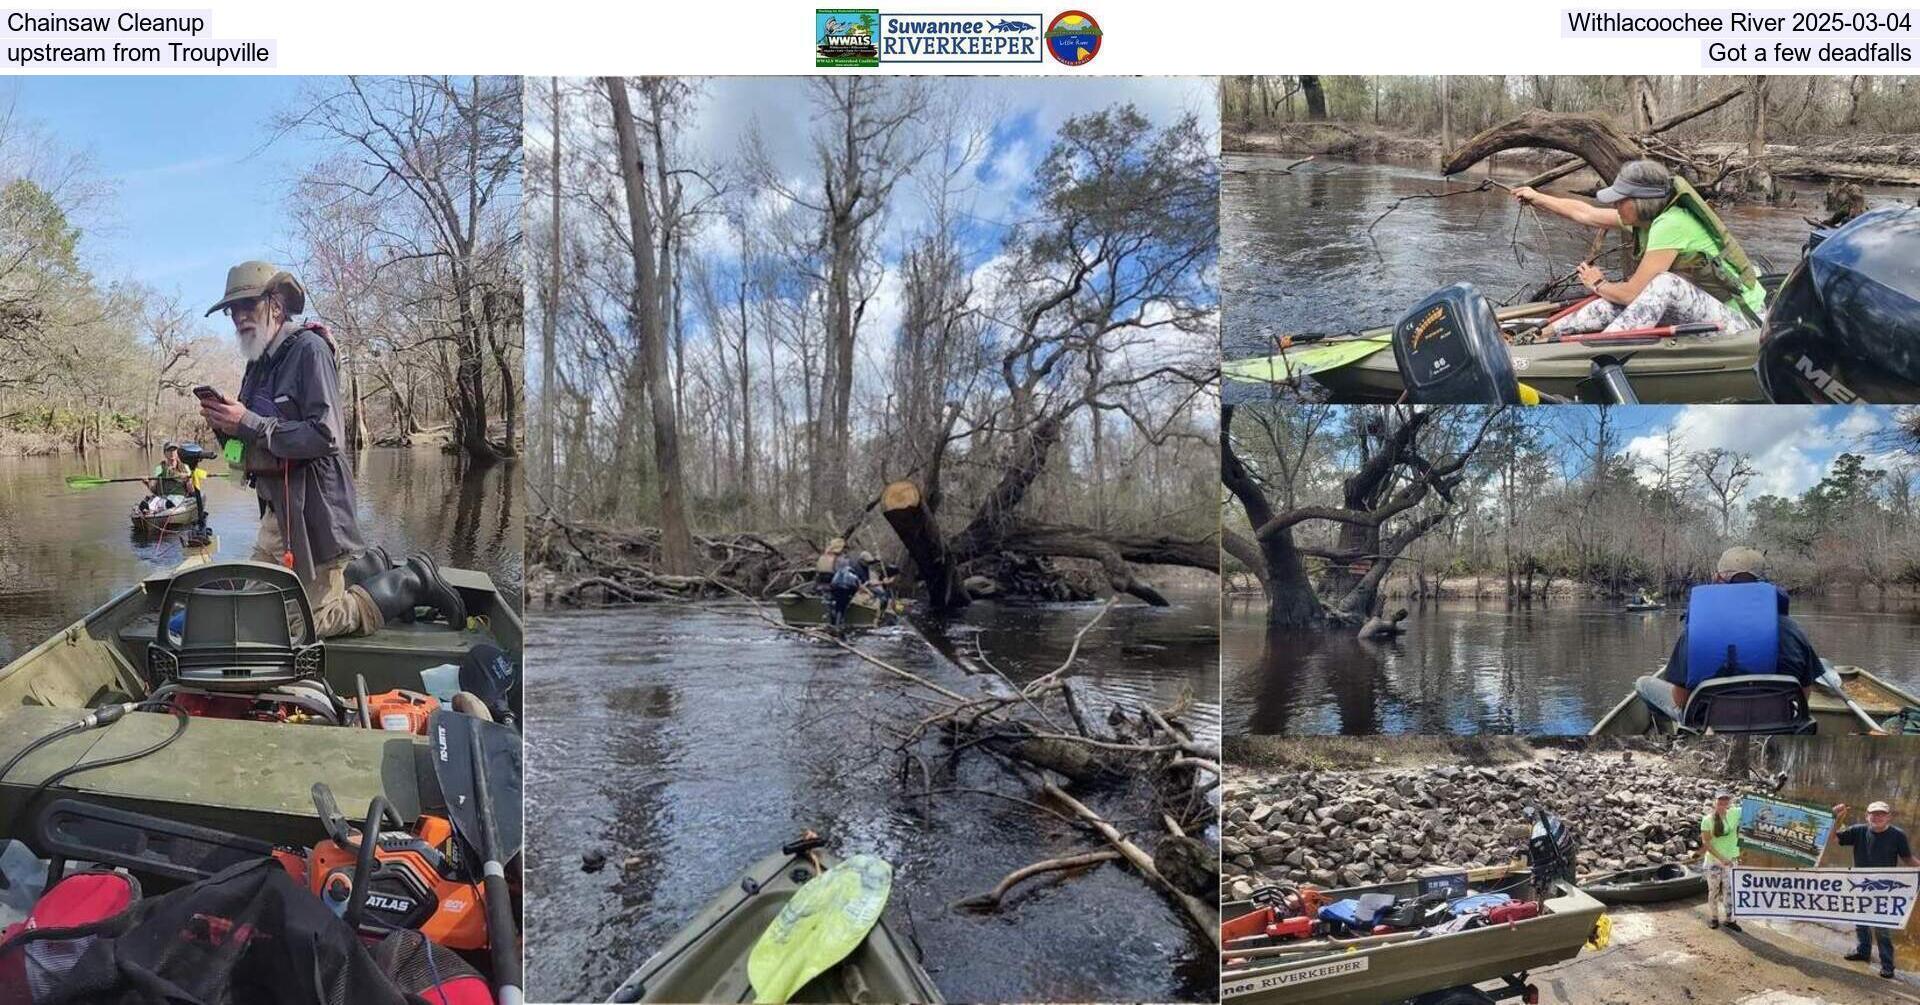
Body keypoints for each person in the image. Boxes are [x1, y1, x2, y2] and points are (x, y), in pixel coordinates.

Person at [198, 261, 462, 638]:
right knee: (254, 608)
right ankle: (369, 566)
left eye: (248, 306)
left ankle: (411, 583)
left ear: (275, 304)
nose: (239, 317)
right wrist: (224, 423)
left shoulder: (310, 349)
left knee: (303, 628)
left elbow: (327, 435)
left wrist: (248, 421)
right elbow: (249, 442)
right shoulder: (256, 366)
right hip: (277, 513)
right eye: (232, 311)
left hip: (315, 515)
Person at [1513, 160, 1766, 338]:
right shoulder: (1646, 219)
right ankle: (1539, 336)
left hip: (1744, 323)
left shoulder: (1671, 224)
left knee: (1661, 285)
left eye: (1622, 200)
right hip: (1706, 309)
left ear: (1642, 202)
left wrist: (1599, 285)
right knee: (1611, 302)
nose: (1616, 205)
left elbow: (1632, 294)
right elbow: (1586, 213)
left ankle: (1600, 352)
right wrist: (1538, 197)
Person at [1632, 546, 1822, 722]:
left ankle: (1675, 736)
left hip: (1708, 723)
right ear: (1764, 582)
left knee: (1644, 684)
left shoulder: (1697, 630)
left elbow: (1680, 699)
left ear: (1717, 579)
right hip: (1775, 721)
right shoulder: (1792, 630)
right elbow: (1804, 695)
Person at [1832, 800, 1916, 980]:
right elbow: (1833, 838)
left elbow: (1909, 860)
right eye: (1873, 813)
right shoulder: (1858, 831)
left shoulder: (1898, 835)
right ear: (1867, 816)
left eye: (1881, 814)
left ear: (1889, 817)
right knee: (1860, 922)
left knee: (1883, 929)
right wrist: (1835, 819)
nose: (1877, 817)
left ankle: (1887, 964)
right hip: (1860, 887)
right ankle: (1863, 952)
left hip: (1885, 892)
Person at [1700, 791, 1742, 932]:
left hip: (1731, 861)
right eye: (1720, 801)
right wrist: (1721, 858)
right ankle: (1714, 918)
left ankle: (1729, 919)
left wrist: (1778, 787)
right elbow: (1706, 843)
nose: (1723, 804)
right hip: (1714, 861)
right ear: (1715, 802)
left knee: (1729, 891)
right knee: (1714, 891)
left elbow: (1756, 805)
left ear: (1729, 802)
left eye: (1725, 801)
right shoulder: (1708, 820)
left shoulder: (1735, 813)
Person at [140, 442, 194, 513]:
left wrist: (188, 479)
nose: (172, 453)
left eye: (174, 450)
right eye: (169, 450)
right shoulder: (160, 468)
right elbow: (154, 489)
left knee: (169, 503)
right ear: (165, 453)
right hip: (163, 497)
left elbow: (191, 490)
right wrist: (147, 483)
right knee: (143, 506)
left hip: (179, 497)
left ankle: (157, 508)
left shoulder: (185, 467)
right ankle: (152, 508)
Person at [826, 548, 869, 628]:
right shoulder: (852, 574)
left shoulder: (840, 571)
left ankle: (834, 622)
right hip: (845, 589)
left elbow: (833, 582)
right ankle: (839, 624)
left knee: (836, 605)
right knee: (842, 607)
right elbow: (858, 586)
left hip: (835, 588)